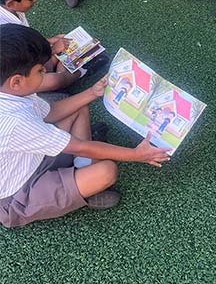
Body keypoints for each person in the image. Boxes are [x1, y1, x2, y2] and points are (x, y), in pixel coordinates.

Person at [0, 24, 170, 228]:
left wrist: (92, 92)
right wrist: (137, 154)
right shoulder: (15, 122)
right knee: (106, 171)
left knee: (79, 109)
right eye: (39, 70)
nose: (45, 71)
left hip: (30, 159)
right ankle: (84, 186)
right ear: (16, 81)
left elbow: (50, 112)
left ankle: (80, 172)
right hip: (17, 194)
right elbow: (81, 147)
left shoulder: (12, 93)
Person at [0, 0, 94, 92]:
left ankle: (60, 65)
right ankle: (80, 72)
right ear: (11, 3)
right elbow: (17, 62)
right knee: (55, 80)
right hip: (12, 79)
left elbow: (24, 44)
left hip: (24, 65)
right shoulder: (5, 28)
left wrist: (47, 41)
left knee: (55, 55)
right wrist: (52, 50)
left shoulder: (12, 9)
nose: (36, 0)